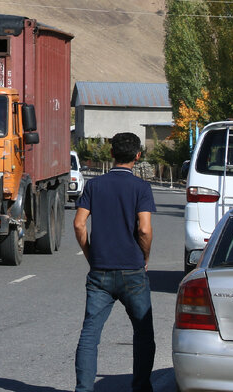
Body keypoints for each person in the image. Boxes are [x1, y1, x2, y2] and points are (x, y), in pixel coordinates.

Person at [73, 132, 156, 392]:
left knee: (90, 334)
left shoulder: (95, 186)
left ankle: (84, 389)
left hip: (100, 272)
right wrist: (144, 257)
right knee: (143, 334)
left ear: (111, 154)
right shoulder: (141, 188)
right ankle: (141, 387)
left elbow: (78, 223)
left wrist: (90, 254)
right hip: (133, 271)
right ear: (138, 156)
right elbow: (144, 229)